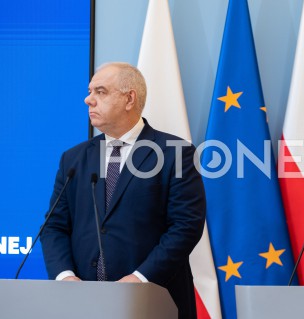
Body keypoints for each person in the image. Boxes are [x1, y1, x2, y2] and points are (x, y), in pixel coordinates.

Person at [40, 62, 206, 318]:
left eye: (101, 92)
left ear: (130, 99)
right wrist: (65, 277)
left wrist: (140, 278)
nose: (88, 100)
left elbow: (186, 226)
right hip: (83, 304)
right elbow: (54, 226)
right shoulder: (73, 159)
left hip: (152, 301)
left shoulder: (175, 153)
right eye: (89, 91)